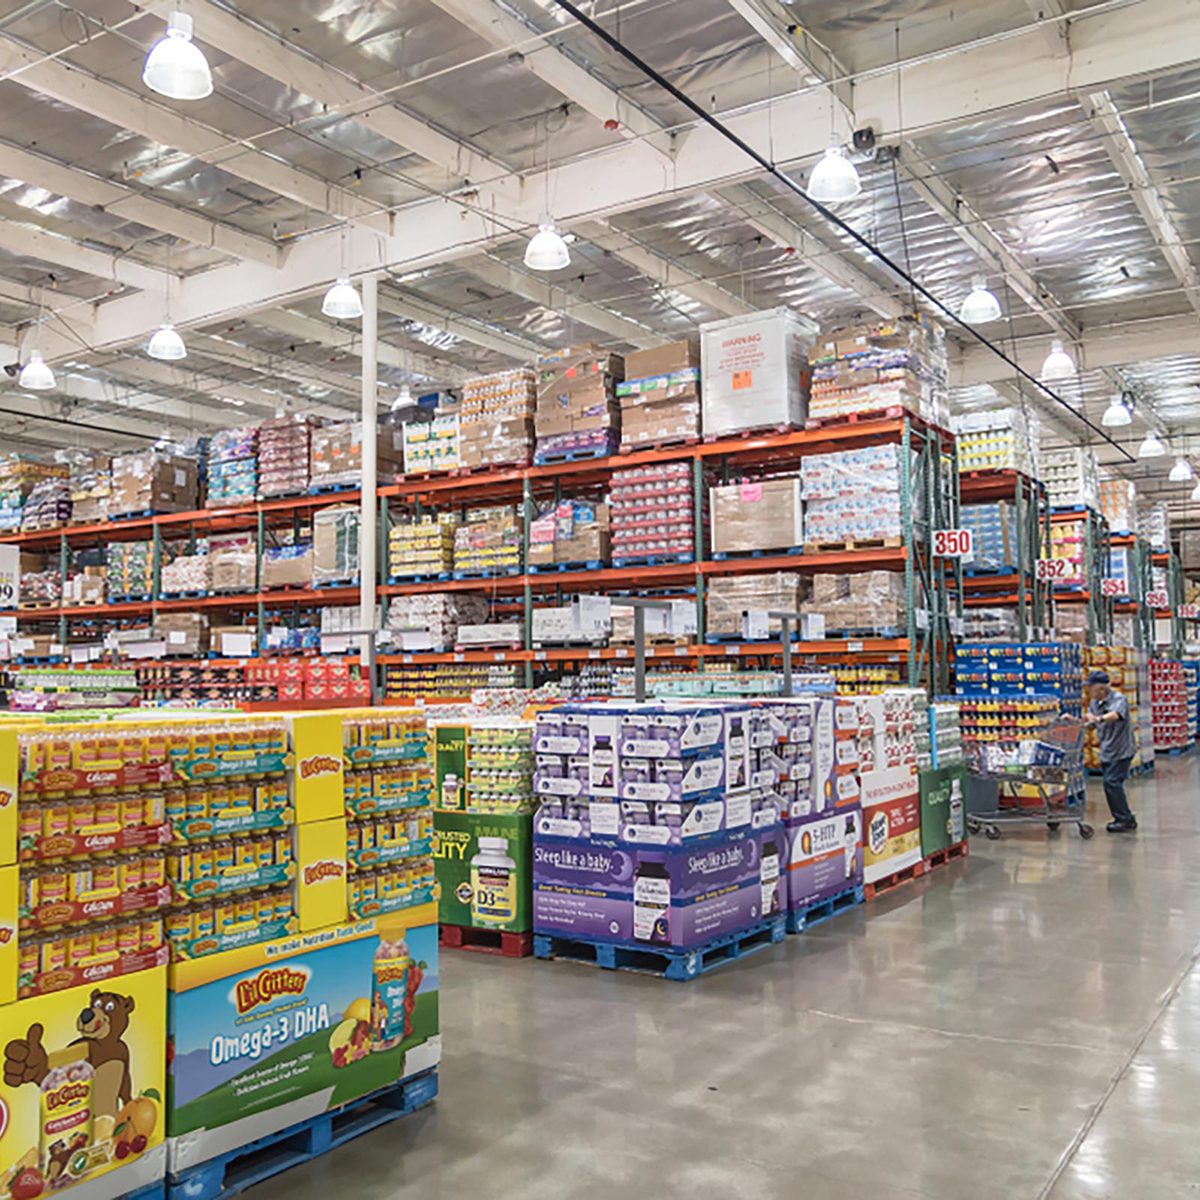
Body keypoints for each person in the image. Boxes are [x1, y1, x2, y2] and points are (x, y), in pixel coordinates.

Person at [1086, 669, 1137, 833]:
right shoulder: (1094, 702)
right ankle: (1124, 817)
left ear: (1101, 688)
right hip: (1107, 750)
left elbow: (1115, 715)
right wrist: (1077, 721)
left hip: (1122, 750)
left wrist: (1099, 718)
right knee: (1111, 784)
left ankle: (1124, 819)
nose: (1088, 690)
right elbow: (1091, 721)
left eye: (1090, 687)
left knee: (1112, 783)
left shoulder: (1118, 699)